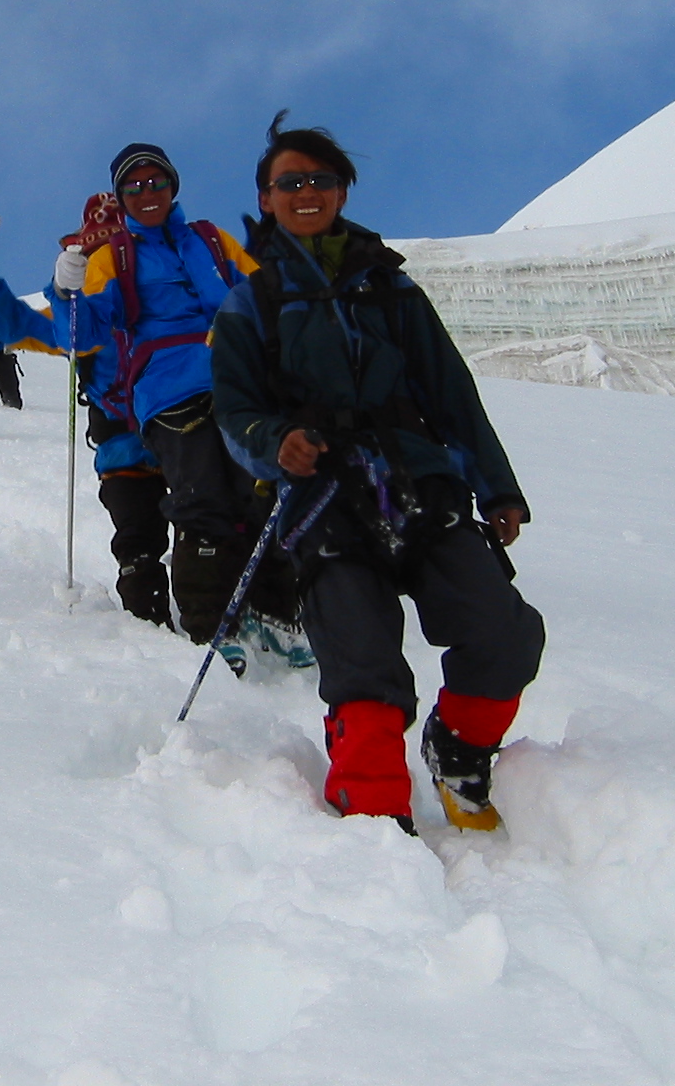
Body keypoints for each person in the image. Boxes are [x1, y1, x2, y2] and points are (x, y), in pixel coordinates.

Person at [210, 114, 543, 833]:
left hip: (421, 484)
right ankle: (372, 811)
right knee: (361, 662)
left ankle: (458, 747)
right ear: (265, 198)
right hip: (323, 500)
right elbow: (234, 413)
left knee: (503, 634)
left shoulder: (392, 292)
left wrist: (498, 486)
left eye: (320, 179)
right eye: (288, 182)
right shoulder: (250, 303)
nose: (306, 192)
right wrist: (277, 443)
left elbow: (451, 393)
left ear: (342, 189)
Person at [0, 145, 300, 656]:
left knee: (243, 500)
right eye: (133, 189)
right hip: (139, 428)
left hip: (204, 396)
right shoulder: (103, 277)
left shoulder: (197, 245)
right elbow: (42, 327)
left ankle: (253, 614)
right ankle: (161, 635)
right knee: (151, 536)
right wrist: (0, 283)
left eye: (154, 184)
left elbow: (257, 296)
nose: (100, 248)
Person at [0, 194, 173, 626]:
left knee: (147, 537)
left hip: (131, 438)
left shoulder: (126, 303)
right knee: (182, 527)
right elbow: (16, 324)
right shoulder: (89, 309)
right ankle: (197, 622)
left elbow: (17, 326)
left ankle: (163, 620)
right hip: (166, 431)